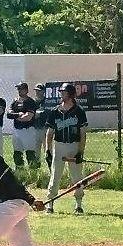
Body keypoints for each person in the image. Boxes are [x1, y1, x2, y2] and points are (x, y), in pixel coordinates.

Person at [44, 83, 88, 214]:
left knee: (77, 176)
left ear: (71, 94)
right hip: (59, 145)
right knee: (55, 175)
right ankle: (50, 204)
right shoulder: (55, 111)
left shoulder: (79, 111)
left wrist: (80, 152)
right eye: (61, 92)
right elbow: (49, 133)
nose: (61, 94)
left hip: (74, 145)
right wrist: (48, 150)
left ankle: (78, 205)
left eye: (64, 92)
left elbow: (83, 134)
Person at [6, 82, 38, 167]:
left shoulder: (30, 101)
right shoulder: (15, 101)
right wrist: (18, 114)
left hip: (28, 130)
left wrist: (15, 116)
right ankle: (20, 170)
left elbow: (27, 117)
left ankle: (33, 171)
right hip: (17, 130)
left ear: (26, 90)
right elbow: (8, 114)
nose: (19, 90)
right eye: (18, 89)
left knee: (30, 153)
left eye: (21, 89)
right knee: (17, 153)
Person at [33, 83, 48, 158]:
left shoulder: (47, 102)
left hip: (45, 128)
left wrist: (40, 114)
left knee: (47, 149)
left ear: (43, 91)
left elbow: (49, 114)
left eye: (39, 90)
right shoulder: (32, 102)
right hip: (35, 128)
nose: (37, 92)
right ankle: (36, 163)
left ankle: (49, 163)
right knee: (36, 149)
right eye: (36, 90)